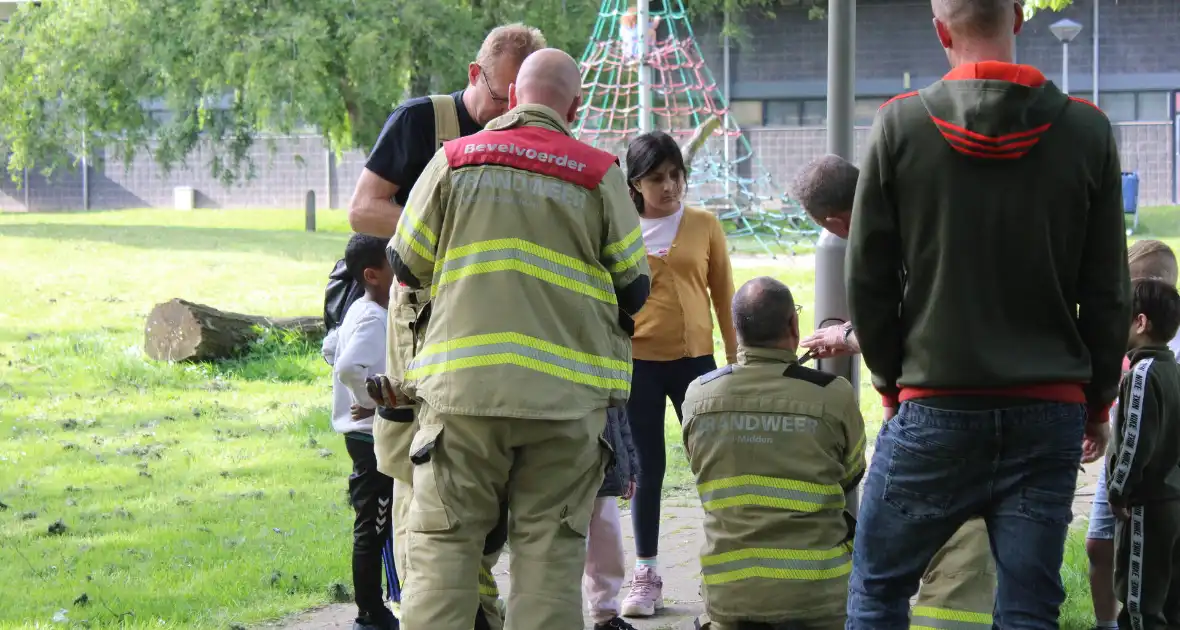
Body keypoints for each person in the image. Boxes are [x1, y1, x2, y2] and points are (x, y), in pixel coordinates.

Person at [844, 0, 1132, 627]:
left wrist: (891, 385)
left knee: (877, 588)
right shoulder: (1087, 131)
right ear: (1021, 19)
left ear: (941, 28)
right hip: (1049, 411)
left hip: (934, 403)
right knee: (1030, 606)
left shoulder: (899, 127)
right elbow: (1110, 291)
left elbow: (868, 279)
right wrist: (1098, 404)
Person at [388, 48, 650, 630]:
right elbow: (634, 289)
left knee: (442, 558)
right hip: (564, 409)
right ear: (575, 107)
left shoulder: (453, 160)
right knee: (550, 563)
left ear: (511, 99)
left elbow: (405, 266)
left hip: (460, 403)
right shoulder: (599, 172)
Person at [348, 23, 547, 630]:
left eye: (522, 103)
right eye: (499, 96)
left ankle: (478, 599)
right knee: (420, 473)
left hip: (497, 336)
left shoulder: (532, 137)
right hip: (423, 329)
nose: (506, 114)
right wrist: (450, 240)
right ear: (473, 76)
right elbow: (363, 208)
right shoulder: (420, 123)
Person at [793, 154, 997, 630]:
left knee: (876, 572)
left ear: (835, 221)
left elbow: (904, 331)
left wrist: (845, 338)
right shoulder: (926, 209)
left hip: (936, 410)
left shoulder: (881, 242)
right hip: (1008, 396)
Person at [681, 276, 865, 630]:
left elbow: (699, 467)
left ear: (736, 331)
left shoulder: (699, 396)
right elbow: (852, 473)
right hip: (818, 598)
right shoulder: (833, 395)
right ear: (794, 325)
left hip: (729, 598)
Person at [620, 130, 737, 619]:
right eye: (656, 178)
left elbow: (726, 300)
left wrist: (739, 364)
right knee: (647, 470)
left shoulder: (705, 224)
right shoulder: (620, 228)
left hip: (696, 364)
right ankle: (645, 572)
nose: (669, 187)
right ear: (634, 184)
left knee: (715, 465)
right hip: (638, 366)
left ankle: (728, 572)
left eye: (675, 175)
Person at [1087, 239, 1180, 630]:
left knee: (1140, 598)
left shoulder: (1144, 372)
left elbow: (1137, 441)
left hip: (1143, 493)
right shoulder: (1165, 364)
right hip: (1159, 488)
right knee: (1153, 589)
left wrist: (1119, 488)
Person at [324, 234, 397, 630]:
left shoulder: (361, 308)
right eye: (393, 263)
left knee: (376, 521)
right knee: (373, 524)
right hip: (370, 438)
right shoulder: (372, 316)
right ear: (372, 274)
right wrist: (367, 399)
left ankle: (377, 608)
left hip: (364, 435)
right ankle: (371, 614)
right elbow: (348, 366)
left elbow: (330, 348)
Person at [584, 407, 641, 630]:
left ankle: (605, 615)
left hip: (606, 471)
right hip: (565, 471)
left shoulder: (612, 376)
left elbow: (621, 423)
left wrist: (629, 470)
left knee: (607, 549)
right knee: (563, 552)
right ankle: (556, 616)